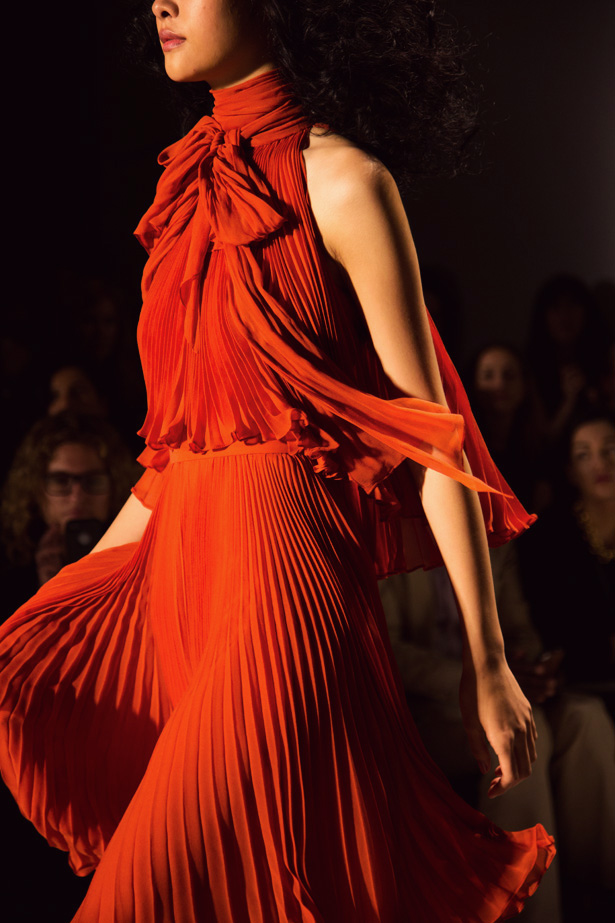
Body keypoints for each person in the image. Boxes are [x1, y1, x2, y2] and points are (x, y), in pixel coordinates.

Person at [0, 2, 555, 921]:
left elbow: (433, 436)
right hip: (189, 590)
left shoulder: (342, 181)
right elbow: (180, 450)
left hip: (283, 598)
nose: (162, 2)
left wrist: (485, 658)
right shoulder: (184, 186)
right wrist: (67, 596)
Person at [379, 541, 615, 922]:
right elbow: (388, 650)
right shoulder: (386, 531)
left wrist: (531, 667)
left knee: (585, 717)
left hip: (502, 686)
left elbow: (519, 629)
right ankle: (528, 908)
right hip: (427, 705)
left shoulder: (492, 536)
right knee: (517, 735)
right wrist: (481, 682)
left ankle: (600, 891)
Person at [518, 410, 615, 719]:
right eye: (584, 455)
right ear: (571, 471)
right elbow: (550, 627)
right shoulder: (551, 538)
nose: (601, 464)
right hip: (583, 683)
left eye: (610, 449)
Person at [0, 412, 138, 622]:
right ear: (35, 488)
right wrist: (46, 594)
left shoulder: (140, 561)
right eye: (60, 481)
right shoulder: (10, 575)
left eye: (93, 481)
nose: (77, 497)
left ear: (115, 486)